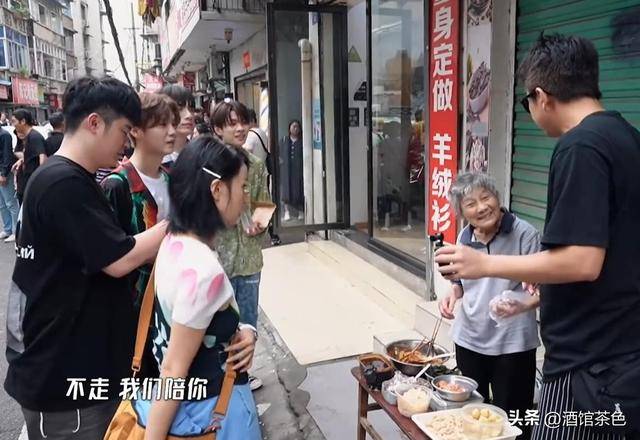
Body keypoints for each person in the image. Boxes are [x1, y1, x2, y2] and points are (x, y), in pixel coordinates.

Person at [435, 34, 640, 440]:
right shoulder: (628, 138)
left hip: (588, 368)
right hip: (622, 357)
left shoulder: (580, 146)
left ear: (541, 97)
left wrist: (484, 263)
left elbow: (583, 261)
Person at [4, 77, 168, 439]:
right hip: (66, 385)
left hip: (78, 369)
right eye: (123, 131)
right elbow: (120, 259)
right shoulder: (64, 183)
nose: (126, 144)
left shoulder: (68, 178)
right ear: (95, 123)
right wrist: (180, 222)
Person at [136, 136, 261, 439]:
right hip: (210, 417)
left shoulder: (173, 241)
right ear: (217, 190)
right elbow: (173, 371)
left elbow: (194, 324)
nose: (245, 198)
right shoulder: (204, 273)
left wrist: (245, 330)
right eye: (242, 187)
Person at [438, 172, 540, 439]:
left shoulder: (525, 234)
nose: (482, 207)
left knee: (515, 417)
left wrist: (522, 305)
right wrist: (453, 293)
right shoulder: (464, 237)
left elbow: (543, 290)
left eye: (486, 197)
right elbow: (460, 282)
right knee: (472, 413)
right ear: (462, 213)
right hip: (470, 340)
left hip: (513, 343)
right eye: (471, 204)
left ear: (497, 197)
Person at [211, 100, 270, 391]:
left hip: (248, 258)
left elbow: (265, 204)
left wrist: (260, 223)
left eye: (243, 121)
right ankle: (218, 377)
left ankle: (241, 376)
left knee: (247, 320)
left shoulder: (255, 165)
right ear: (217, 129)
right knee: (217, 323)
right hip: (217, 259)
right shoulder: (208, 165)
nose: (240, 128)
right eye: (232, 123)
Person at [102, 92, 179, 306]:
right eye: (162, 125)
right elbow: (110, 257)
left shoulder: (172, 179)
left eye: (174, 124)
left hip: (170, 296)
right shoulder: (117, 185)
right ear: (135, 130)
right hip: (132, 304)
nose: (172, 131)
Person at [244, 108, 280, 246]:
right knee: (264, 203)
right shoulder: (262, 133)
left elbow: (246, 153)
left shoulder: (251, 135)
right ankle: (272, 233)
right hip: (262, 172)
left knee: (254, 205)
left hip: (252, 175)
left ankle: (260, 233)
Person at [11, 109, 46, 205]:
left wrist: (40, 182)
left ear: (23, 121)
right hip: (25, 183)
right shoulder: (28, 137)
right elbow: (31, 156)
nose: (13, 124)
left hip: (33, 184)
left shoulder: (35, 137)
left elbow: (43, 158)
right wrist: (21, 160)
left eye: (14, 121)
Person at [158, 85, 194, 168]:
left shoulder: (201, 154)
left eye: (191, 109)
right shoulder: (153, 160)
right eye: (179, 109)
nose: (189, 115)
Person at [279, 120, 304, 221]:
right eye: (293, 126)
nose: (295, 128)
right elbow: (278, 153)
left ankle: (300, 211)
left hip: (298, 170)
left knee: (299, 190)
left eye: (297, 127)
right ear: (289, 128)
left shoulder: (302, 141)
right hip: (286, 170)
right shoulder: (284, 140)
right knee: (286, 190)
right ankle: (287, 212)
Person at [0, 125, 18, 242]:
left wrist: (4, 174)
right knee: (2, 204)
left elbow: (7, 156)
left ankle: (16, 231)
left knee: (10, 202)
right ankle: (7, 229)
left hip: (4, 172)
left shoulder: (4, 135)